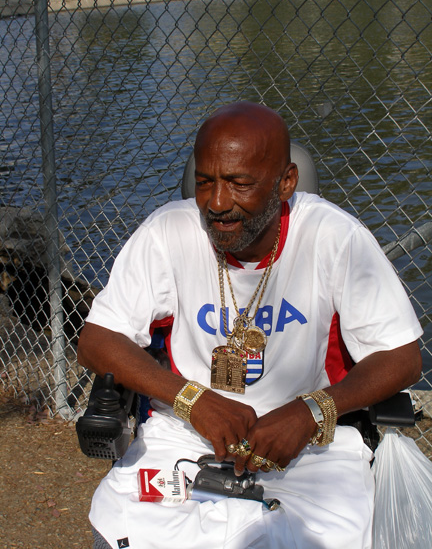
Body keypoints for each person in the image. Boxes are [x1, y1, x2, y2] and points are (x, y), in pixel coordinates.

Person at [78, 101, 423, 549]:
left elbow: (402, 357)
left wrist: (311, 411)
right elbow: (96, 341)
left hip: (308, 447)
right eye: (205, 182)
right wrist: (192, 399)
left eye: (239, 184)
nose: (217, 203)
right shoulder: (168, 233)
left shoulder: (335, 238)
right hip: (184, 434)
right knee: (128, 528)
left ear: (286, 183)